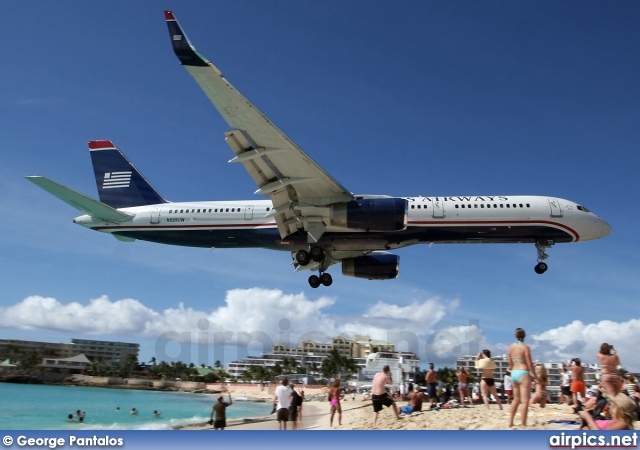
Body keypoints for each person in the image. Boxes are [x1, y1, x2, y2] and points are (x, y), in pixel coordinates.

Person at [507, 328, 537, 427]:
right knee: (525, 401)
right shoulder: (525, 347)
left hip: (514, 372)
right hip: (523, 373)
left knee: (515, 400)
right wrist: (536, 376)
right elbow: (529, 363)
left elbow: (510, 364)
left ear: (515, 336)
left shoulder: (511, 347)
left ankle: (511, 422)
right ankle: (523, 423)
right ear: (524, 336)